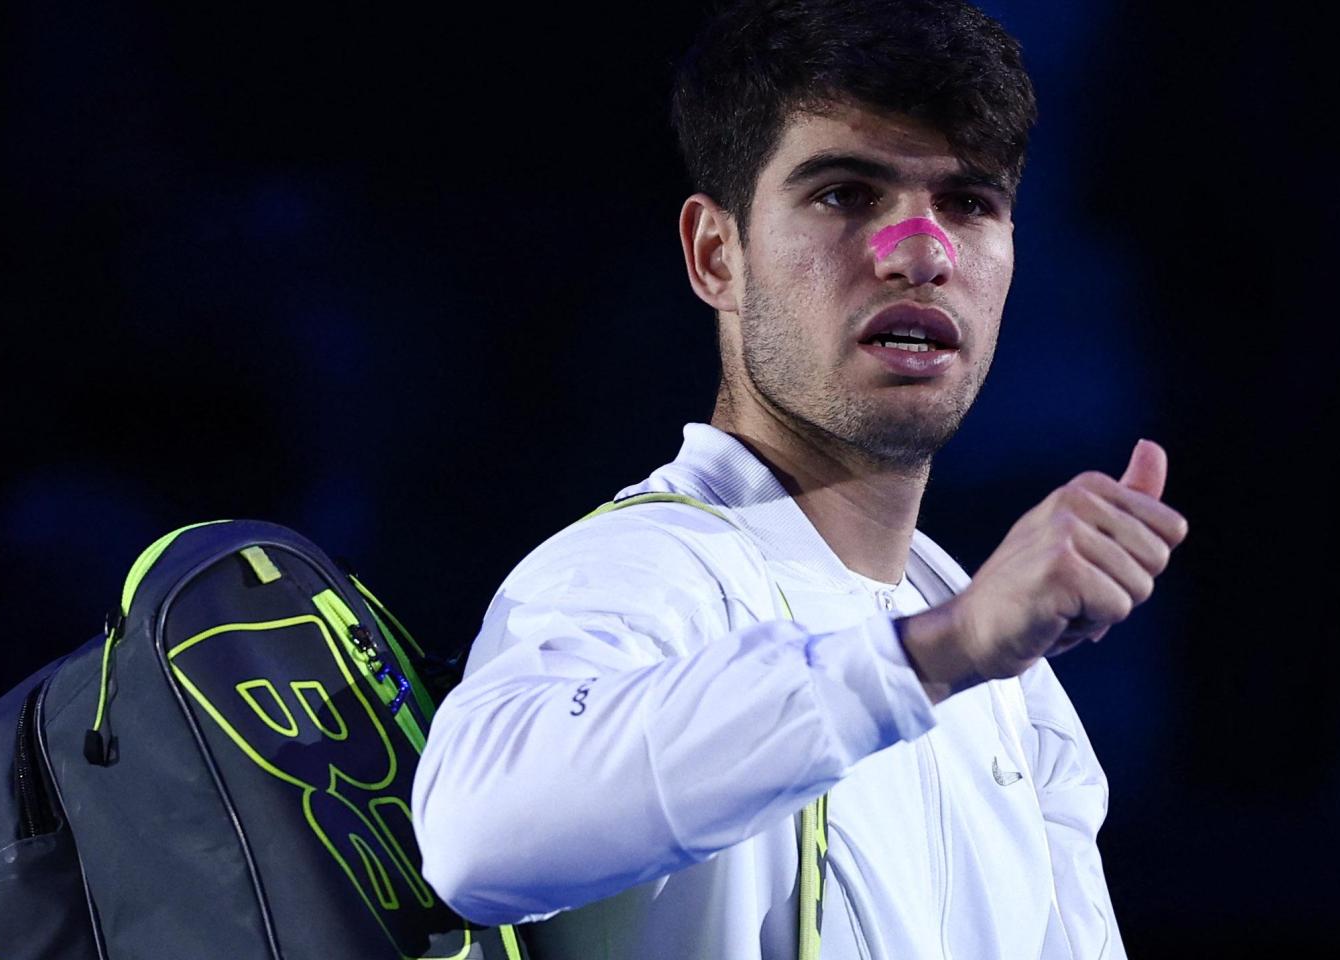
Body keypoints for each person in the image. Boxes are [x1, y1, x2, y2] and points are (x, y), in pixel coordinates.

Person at [411, 1, 1188, 957]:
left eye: (969, 204)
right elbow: (473, 838)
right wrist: (940, 651)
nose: (921, 254)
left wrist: (959, 647)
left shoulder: (1008, 684)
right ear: (715, 255)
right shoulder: (633, 571)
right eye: (845, 194)